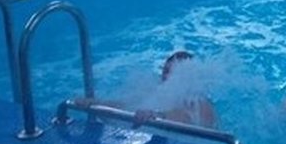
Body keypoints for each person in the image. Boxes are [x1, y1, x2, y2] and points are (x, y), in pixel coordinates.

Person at [74, 51, 219, 128]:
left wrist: (157, 116)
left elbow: (186, 117)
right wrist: (96, 105)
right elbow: (127, 106)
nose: (166, 77)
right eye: (165, 71)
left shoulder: (201, 103)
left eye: (173, 73)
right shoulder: (156, 93)